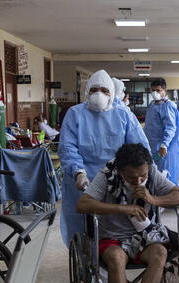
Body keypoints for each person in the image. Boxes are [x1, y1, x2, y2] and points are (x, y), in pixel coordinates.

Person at [76, 143, 179, 283]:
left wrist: (153, 199)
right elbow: (83, 204)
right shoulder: (106, 175)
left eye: (142, 176)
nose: (138, 181)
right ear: (119, 171)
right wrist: (122, 208)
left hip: (145, 235)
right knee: (116, 258)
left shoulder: (151, 171)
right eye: (131, 177)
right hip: (113, 237)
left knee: (160, 253)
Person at [58, 69, 150, 246]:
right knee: (81, 227)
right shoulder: (75, 114)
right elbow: (68, 147)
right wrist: (78, 172)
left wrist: (144, 175)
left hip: (117, 180)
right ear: (87, 92)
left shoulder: (123, 115)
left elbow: (139, 148)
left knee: (115, 226)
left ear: (112, 93)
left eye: (104, 90)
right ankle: (85, 259)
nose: (98, 94)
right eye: (94, 90)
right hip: (82, 181)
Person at [143, 78, 179, 185]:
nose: (154, 93)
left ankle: (171, 200)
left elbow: (170, 127)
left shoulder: (168, 106)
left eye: (158, 90)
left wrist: (164, 144)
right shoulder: (152, 105)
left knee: (168, 179)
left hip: (166, 149)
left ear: (164, 91)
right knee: (156, 179)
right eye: (152, 90)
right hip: (154, 147)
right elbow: (150, 126)